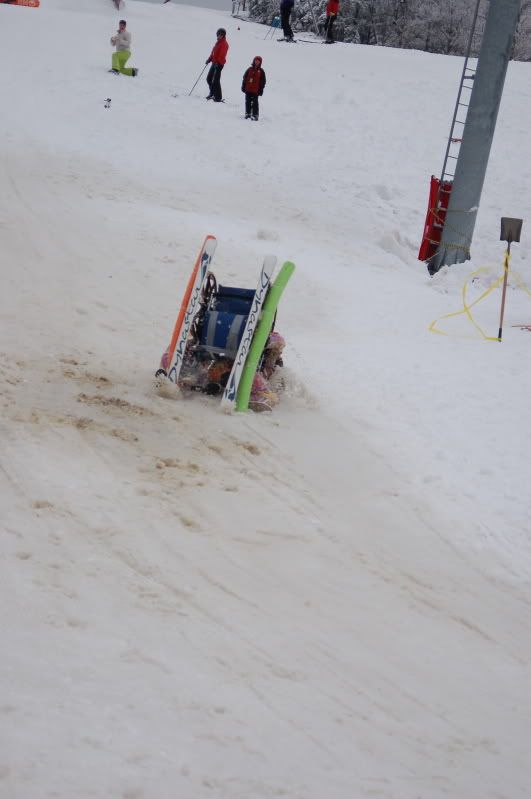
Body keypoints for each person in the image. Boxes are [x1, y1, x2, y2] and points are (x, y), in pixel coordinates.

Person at [205, 28, 229, 102]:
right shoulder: (218, 43)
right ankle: (212, 93)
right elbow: (213, 53)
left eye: (221, 35)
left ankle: (218, 97)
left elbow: (222, 54)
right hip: (214, 63)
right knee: (209, 78)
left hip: (219, 64)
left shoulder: (224, 44)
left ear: (223, 35)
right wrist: (209, 59)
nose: (219, 36)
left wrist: (217, 63)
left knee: (216, 80)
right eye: (218, 34)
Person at [241, 56, 266, 121]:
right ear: (254, 61)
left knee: (255, 102)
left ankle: (255, 115)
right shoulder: (249, 69)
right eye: (256, 60)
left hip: (256, 90)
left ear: (260, 62)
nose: (257, 62)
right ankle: (248, 113)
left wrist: (261, 89)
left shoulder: (261, 71)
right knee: (247, 101)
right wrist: (243, 86)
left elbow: (263, 81)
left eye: (258, 61)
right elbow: (244, 78)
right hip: (248, 89)